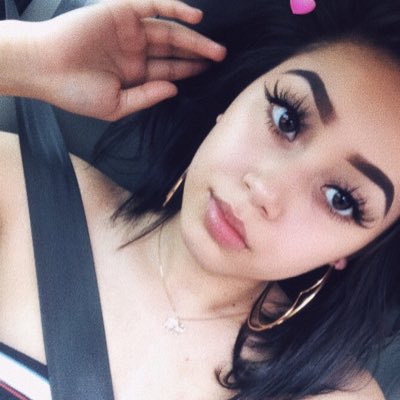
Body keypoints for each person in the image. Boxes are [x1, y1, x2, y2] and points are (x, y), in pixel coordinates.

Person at [0, 0, 399, 399]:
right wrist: (27, 59)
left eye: (341, 199)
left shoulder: (332, 394)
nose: (266, 189)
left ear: (358, 248)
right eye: (286, 119)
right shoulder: (17, 196)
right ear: (236, 98)